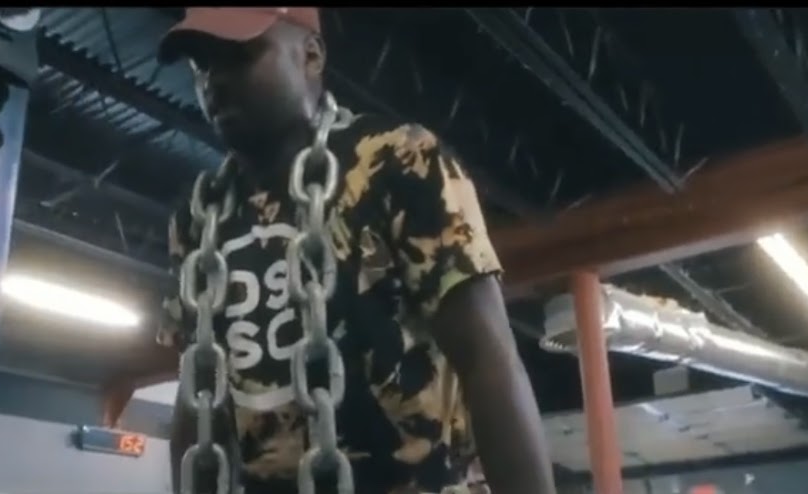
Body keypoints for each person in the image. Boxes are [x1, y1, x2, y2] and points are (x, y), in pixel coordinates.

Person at [157, 7, 556, 494]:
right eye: (202, 64)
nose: (214, 80)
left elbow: (486, 357)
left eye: (239, 56)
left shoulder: (398, 161)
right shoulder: (197, 218)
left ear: (311, 55)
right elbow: (197, 395)